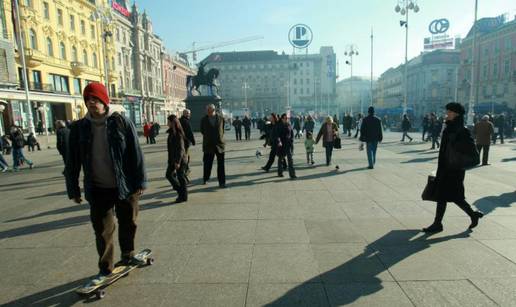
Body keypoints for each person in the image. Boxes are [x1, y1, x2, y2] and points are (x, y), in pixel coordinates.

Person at [65, 82, 147, 284]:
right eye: (88, 100)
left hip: (125, 185)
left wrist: (140, 182)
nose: (91, 103)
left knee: (129, 223)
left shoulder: (121, 122)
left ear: (104, 101)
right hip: (98, 187)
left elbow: (136, 153)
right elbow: (72, 161)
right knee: (102, 231)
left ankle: (127, 254)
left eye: (95, 99)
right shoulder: (78, 128)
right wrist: (73, 188)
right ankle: (105, 267)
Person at [423, 103, 483, 233]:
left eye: (449, 112)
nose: (447, 114)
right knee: (444, 196)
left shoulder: (462, 131)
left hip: (454, 170)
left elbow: (470, 151)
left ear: (456, 114)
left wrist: (456, 147)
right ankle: (438, 223)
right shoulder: (449, 128)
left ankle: (470, 216)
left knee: (454, 197)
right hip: (445, 168)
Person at [200, 104, 226, 188]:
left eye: (210, 111)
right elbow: (202, 130)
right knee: (207, 164)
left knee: (221, 165)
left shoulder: (221, 118)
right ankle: (206, 178)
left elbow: (222, 130)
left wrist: (219, 137)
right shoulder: (203, 120)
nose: (208, 112)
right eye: (207, 111)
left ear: (214, 110)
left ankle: (222, 182)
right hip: (208, 145)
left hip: (219, 145)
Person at [166, 115, 188, 203]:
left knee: (180, 177)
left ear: (172, 123)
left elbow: (181, 149)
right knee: (170, 175)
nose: (167, 123)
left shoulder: (178, 134)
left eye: (168, 121)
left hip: (179, 160)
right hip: (173, 159)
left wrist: (177, 161)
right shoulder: (172, 132)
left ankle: (182, 195)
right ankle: (181, 192)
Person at [276, 113, 296, 179]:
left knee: (290, 160)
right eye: (284, 118)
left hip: (288, 144)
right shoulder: (279, 125)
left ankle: (292, 174)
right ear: (282, 119)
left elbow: (292, 133)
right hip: (282, 144)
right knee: (281, 159)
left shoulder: (289, 124)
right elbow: (277, 135)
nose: (286, 119)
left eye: (287, 118)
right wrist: (279, 141)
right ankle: (280, 172)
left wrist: (292, 140)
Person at [179, 109, 195, 180]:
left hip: (180, 142)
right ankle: (186, 169)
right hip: (185, 142)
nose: (189, 115)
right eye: (188, 113)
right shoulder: (186, 121)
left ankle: (185, 168)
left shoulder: (179, 120)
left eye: (189, 113)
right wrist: (193, 141)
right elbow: (190, 132)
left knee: (184, 155)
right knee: (185, 156)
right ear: (184, 114)